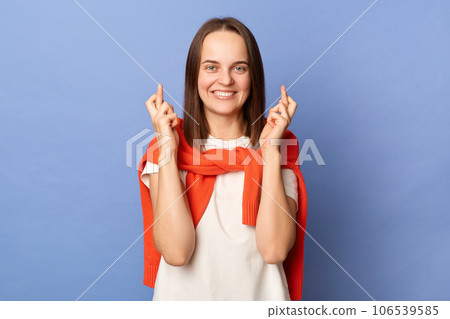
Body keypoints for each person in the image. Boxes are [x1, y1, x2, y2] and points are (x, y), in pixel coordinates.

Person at [138, 17, 307, 301]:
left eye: (239, 68)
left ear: (253, 77)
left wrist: (269, 151)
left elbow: (274, 250)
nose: (225, 80)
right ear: (195, 76)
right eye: (211, 67)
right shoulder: (166, 146)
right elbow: (177, 252)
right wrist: (168, 149)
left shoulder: (278, 146)